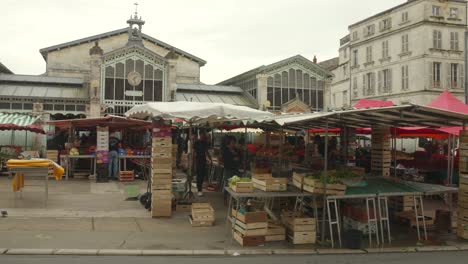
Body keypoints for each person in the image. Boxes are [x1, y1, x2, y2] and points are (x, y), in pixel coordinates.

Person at [194, 133, 212, 197]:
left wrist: (210, 159)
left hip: (203, 161)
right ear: (200, 136)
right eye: (202, 136)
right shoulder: (196, 142)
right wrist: (194, 163)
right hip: (198, 161)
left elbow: (206, 151)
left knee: (202, 176)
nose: (203, 137)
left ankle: (200, 189)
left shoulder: (205, 143)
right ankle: (199, 190)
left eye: (204, 136)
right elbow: (194, 152)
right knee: (199, 175)